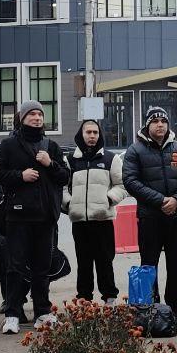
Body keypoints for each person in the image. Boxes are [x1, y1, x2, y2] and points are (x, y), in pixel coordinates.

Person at [0, 100, 69, 335]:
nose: (37, 118)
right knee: (15, 266)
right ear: (21, 118)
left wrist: (49, 163)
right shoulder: (9, 145)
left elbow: (64, 177)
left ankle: (42, 311)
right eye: (31, 114)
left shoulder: (51, 146)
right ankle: (12, 313)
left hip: (45, 218)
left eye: (40, 114)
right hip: (18, 217)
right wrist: (20, 176)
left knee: (42, 266)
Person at [122, 106, 177, 327]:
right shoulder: (135, 150)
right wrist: (160, 200)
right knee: (149, 264)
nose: (160, 125)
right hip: (150, 217)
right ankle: (150, 308)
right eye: (155, 121)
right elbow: (131, 181)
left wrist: (176, 200)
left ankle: (174, 308)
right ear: (148, 125)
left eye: (163, 121)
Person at [64, 118, 127, 304]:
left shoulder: (110, 159)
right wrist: (69, 205)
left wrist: (108, 199)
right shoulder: (71, 161)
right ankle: (84, 299)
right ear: (81, 135)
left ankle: (110, 297)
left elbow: (122, 185)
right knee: (83, 263)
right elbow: (61, 188)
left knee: (105, 261)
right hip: (80, 221)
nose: (92, 136)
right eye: (88, 132)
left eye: (95, 132)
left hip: (103, 220)